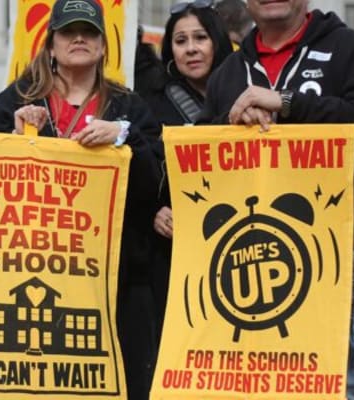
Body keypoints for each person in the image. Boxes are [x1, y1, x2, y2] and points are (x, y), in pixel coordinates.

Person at [199, 1, 354, 399]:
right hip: (243, 255)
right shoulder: (229, 71)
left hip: (329, 247)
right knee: (256, 382)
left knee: (338, 375)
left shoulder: (346, 48)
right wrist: (231, 123)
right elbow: (201, 148)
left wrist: (286, 102)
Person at [0, 1, 162, 398]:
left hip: (117, 285)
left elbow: (156, 189)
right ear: (51, 44)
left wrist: (124, 138)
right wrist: (13, 141)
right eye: (68, 31)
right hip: (36, 281)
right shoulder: (16, 100)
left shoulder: (127, 107)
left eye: (90, 31)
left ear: (103, 45)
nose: (80, 38)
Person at [137, 0, 232, 346]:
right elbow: (138, 171)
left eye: (200, 38)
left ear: (217, 42)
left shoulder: (245, 95)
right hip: (172, 255)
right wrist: (152, 212)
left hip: (233, 247)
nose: (191, 49)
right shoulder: (149, 101)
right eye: (180, 41)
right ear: (170, 49)